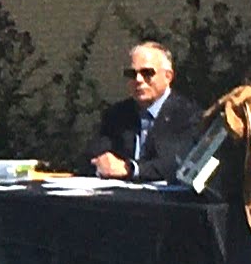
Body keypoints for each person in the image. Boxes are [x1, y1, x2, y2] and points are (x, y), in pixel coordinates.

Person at [86, 41, 204, 179]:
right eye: (132, 73)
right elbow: (90, 157)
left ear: (168, 77)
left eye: (147, 73)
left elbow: (177, 163)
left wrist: (131, 169)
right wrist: (101, 164)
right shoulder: (117, 115)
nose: (138, 79)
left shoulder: (187, 115)